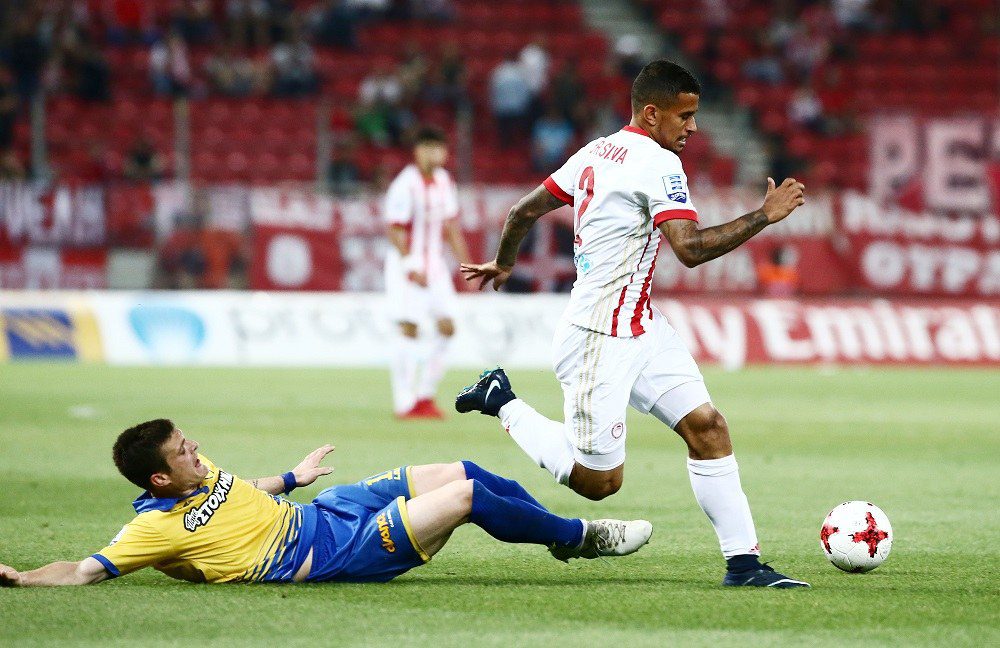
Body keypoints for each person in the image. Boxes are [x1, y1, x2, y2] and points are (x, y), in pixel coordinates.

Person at [457, 60, 809, 589]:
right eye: (684, 116)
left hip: (643, 326)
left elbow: (521, 212)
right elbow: (690, 250)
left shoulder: (596, 151)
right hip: (598, 336)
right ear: (651, 113)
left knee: (707, 427)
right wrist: (764, 215)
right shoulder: (658, 163)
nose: (693, 127)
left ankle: (744, 564)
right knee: (599, 484)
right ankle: (501, 401)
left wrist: (504, 263)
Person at [0, 419, 652, 586]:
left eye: (189, 442)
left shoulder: (199, 474)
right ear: (158, 480)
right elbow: (83, 571)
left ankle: (553, 529)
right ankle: (578, 537)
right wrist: (24, 578)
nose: (196, 450)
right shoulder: (153, 530)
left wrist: (291, 477)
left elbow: (242, 491)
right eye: (183, 452)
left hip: (325, 511)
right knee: (466, 497)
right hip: (332, 554)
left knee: (462, 467)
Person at [384, 127, 470, 420]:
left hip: (435, 264)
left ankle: (425, 395)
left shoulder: (445, 181)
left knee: (448, 326)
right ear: (418, 151)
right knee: (409, 327)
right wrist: (410, 264)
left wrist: (466, 265)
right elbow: (395, 228)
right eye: (428, 147)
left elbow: (451, 227)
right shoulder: (405, 185)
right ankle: (404, 402)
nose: (435, 154)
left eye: (439, 148)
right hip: (407, 263)